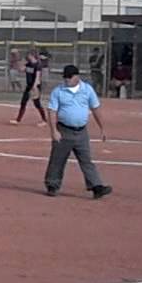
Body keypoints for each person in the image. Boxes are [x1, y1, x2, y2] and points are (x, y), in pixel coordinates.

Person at [44, 64, 112, 199]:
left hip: (81, 132)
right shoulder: (58, 91)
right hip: (64, 130)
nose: (67, 80)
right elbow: (52, 111)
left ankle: (96, 186)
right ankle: (52, 184)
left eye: (70, 77)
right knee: (57, 159)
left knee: (86, 160)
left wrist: (102, 128)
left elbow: (95, 109)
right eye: (65, 77)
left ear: (77, 77)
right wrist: (54, 131)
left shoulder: (87, 90)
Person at [12, 49, 48, 126]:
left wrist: (34, 87)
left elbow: (37, 77)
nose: (27, 56)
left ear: (32, 55)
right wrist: (17, 60)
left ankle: (44, 120)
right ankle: (18, 120)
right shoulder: (29, 64)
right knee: (23, 102)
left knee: (37, 104)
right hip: (29, 86)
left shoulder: (37, 65)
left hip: (35, 86)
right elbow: (21, 69)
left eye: (28, 55)